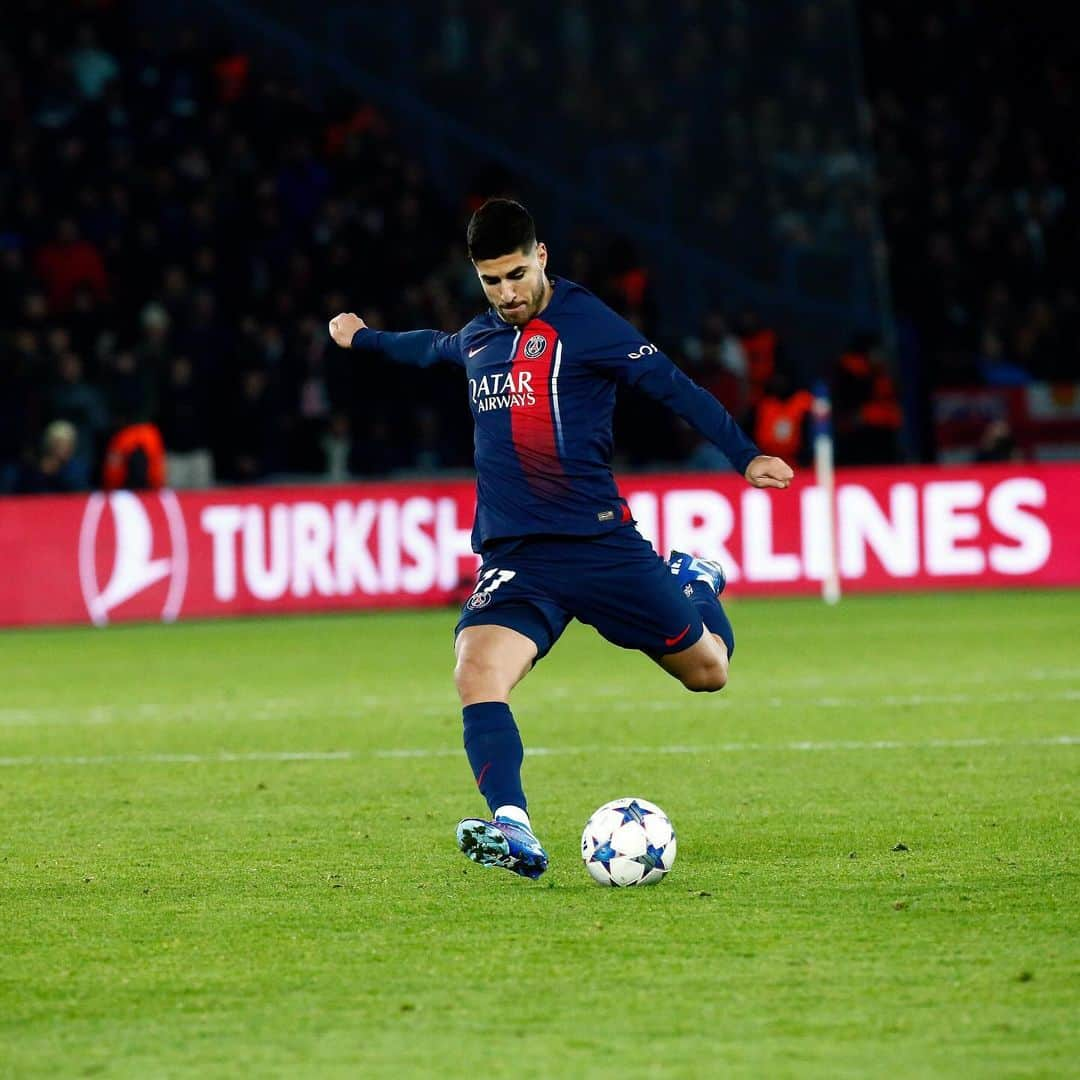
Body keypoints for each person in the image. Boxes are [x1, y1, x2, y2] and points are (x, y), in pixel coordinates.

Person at [329, 199, 793, 879]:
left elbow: (673, 386)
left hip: (601, 548)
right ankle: (513, 827)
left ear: (541, 256)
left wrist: (745, 454)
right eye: (492, 281)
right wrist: (363, 337)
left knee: (709, 672)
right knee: (476, 670)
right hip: (519, 557)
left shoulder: (585, 322)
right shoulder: (480, 336)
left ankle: (691, 578)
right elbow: (426, 347)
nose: (507, 293)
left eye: (517, 274)